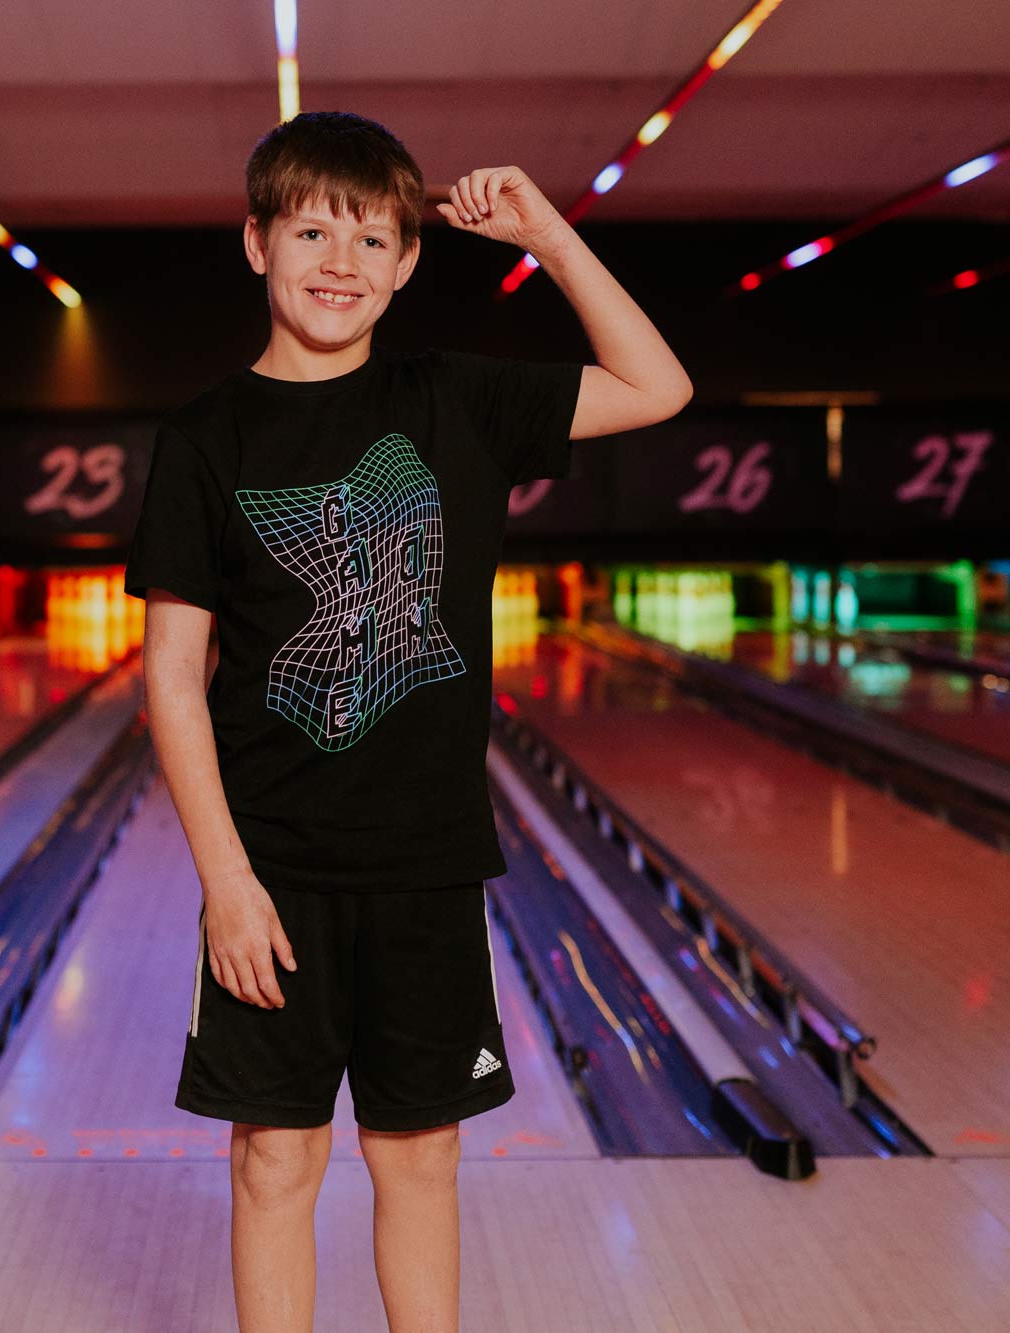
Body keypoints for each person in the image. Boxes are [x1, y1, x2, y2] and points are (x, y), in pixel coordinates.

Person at [121, 111, 690, 1333]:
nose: (341, 260)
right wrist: (224, 880)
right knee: (271, 1162)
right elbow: (171, 676)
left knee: (417, 1158)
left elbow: (658, 385)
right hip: (269, 872)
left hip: (428, 868)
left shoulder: (455, 401)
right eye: (312, 229)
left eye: (373, 236)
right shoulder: (204, 439)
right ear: (255, 243)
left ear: (409, 261)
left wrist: (545, 234)